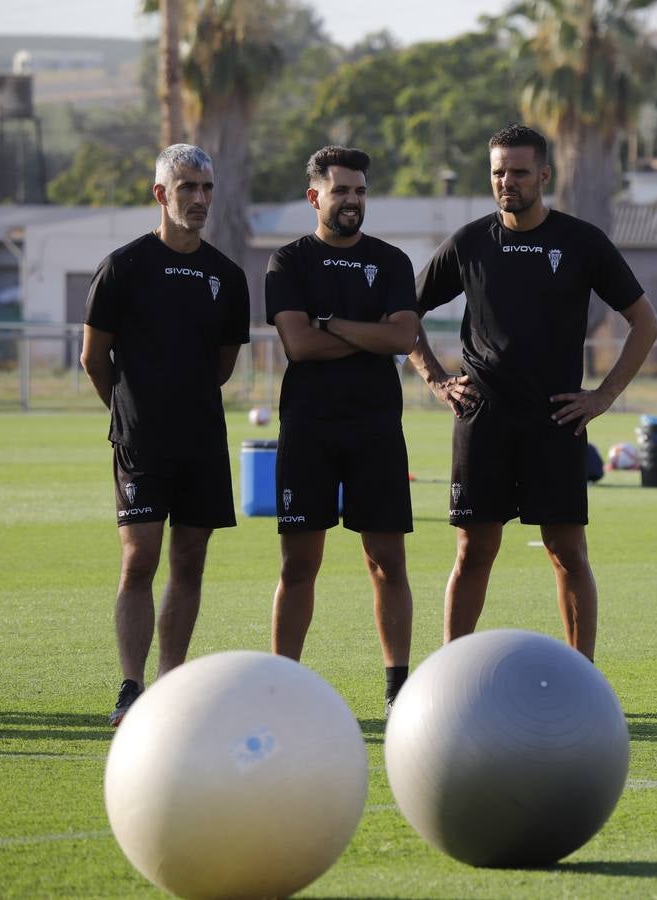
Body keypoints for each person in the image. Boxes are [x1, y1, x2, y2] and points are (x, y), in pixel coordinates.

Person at [407, 123, 657, 661]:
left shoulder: (581, 241)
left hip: (556, 419)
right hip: (483, 418)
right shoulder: (470, 242)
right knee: (474, 551)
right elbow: (406, 315)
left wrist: (602, 396)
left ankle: (582, 674)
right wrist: (435, 379)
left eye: (519, 172)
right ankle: (451, 672)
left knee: (566, 552)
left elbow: (645, 322)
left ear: (544, 174)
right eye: (499, 172)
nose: (508, 182)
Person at [81, 143, 251, 727]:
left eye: (207, 189)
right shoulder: (124, 267)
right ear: (161, 194)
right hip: (141, 442)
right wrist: (129, 411)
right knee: (138, 562)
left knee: (191, 562)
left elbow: (224, 365)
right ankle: (130, 687)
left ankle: (170, 687)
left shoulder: (226, 276)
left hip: (201, 440)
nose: (200, 199)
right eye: (188, 189)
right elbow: (92, 357)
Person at [264, 146, 419, 713]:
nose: (352, 201)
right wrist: (363, 333)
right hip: (307, 430)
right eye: (341, 191)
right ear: (315, 197)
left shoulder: (393, 261)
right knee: (298, 564)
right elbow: (297, 345)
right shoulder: (288, 262)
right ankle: (281, 684)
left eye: (359, 191)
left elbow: (403, 338)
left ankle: (397, 685)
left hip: (376, 430)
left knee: (386, 561)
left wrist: (328, 321)